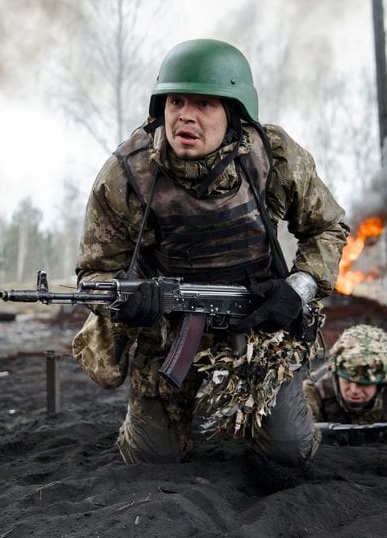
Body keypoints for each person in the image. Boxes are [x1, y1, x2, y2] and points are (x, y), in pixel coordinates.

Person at [72, 39, 349, 468]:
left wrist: (297, 289)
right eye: (176, 101)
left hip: (259, 331)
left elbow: (328, 227)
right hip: (169, 334)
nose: (185, 115)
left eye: (204, 104)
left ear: (233, 113)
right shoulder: (127, 174)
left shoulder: (273, 158)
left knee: (287, 455)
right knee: (151, 462)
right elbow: (94, 272)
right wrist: (129, 305)